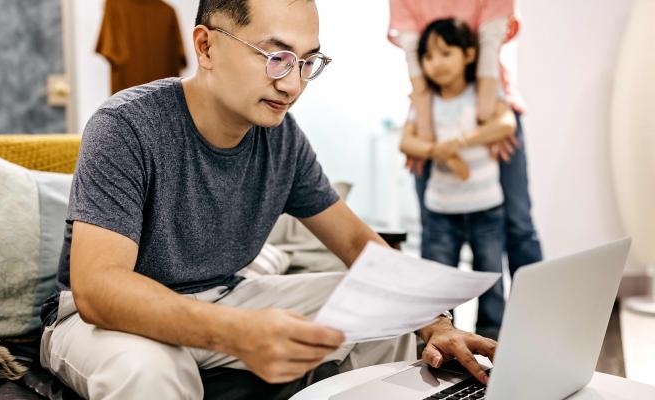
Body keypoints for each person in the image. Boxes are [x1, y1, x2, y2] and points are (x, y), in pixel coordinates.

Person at [39, 1, 497, 398]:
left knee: (384, 308)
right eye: (276, 57)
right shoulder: (126, 126)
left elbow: (359, 246)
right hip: (101, 323)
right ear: (205, 46)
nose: (293, 85)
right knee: (147, 369)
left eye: (306, 62)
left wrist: (434, 321)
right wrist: (237, 333)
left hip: (223, 295)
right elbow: (97, 288)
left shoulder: (281, 140)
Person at [388, 0, 543, 280]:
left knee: (518, 223)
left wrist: (483, 121)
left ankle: (535, 315)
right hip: (430, 114)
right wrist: (429, 136)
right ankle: (437, 321)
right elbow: (415, 60)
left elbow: (489, 46)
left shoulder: (488, 107)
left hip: (490, 103)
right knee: (434, 228)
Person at [400, 18, 516, 339]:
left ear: (467, 54)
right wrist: (441, 151)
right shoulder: (424, 103)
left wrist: (462, 142)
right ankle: (441, 340)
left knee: (491, 279)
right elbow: (406, 142)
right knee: (437, 284)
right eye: (428, 56)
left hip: (486, 208)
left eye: (444, 53)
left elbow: (506, 124)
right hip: (441, 211)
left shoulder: (482, 94)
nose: (435, 64)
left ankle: (493, 340)